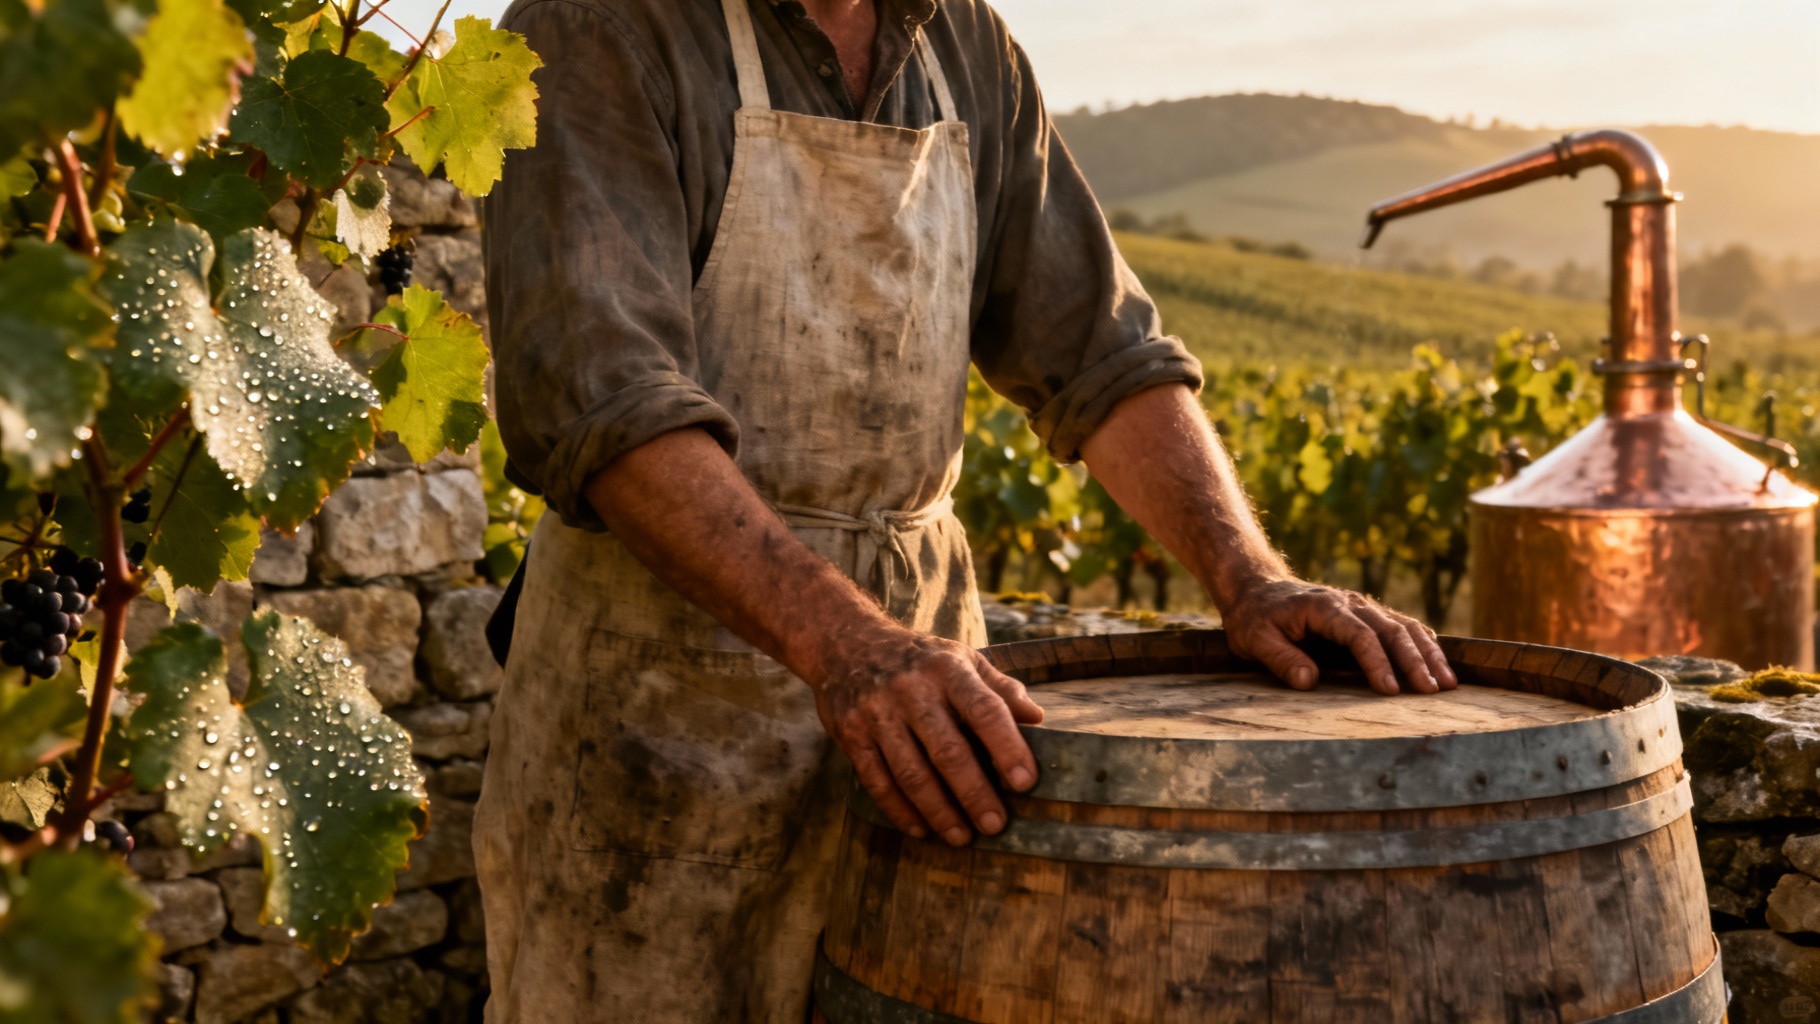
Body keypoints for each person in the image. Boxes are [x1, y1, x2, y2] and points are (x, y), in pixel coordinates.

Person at [476, 0, 1456, 1020]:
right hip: (664, 708)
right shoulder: (595, 27)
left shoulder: (965, 47)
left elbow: (1100, 355)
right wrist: (848, 647)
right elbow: (609, 410)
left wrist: (1249, 577)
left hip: (928, 704)